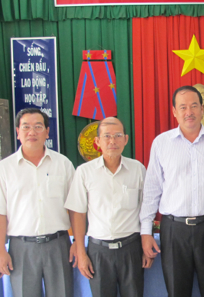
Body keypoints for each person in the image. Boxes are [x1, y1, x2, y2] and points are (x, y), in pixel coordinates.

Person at [139, 85, 204, 297]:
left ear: (202, 109)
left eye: (194, 106)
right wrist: (145, 231)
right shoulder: (161, 143)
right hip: (174, 231)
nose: (189, 112)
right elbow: (151, 191)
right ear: (174, 111)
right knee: (177, 291)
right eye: (183, 107)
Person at [0, 108, 75, 297]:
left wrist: (77, 242)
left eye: (38, 126)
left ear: (47, 132)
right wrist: (1, 250)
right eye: (26, 127)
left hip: (58, 245)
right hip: (21, 248)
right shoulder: (4, 168)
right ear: (18, 132)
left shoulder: (63, 164)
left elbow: (75, 208)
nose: (32, 132)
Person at [65, 117, 152, 297]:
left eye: (118, 135)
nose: (112, 141)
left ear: (126, 139)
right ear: (97, 141)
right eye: (107, 136)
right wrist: (81, 252)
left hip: (131, 248)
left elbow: (147, 211)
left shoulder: (138, 170)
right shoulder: (84, 172)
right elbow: (78, 214)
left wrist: (145, 245)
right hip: (99, 252)